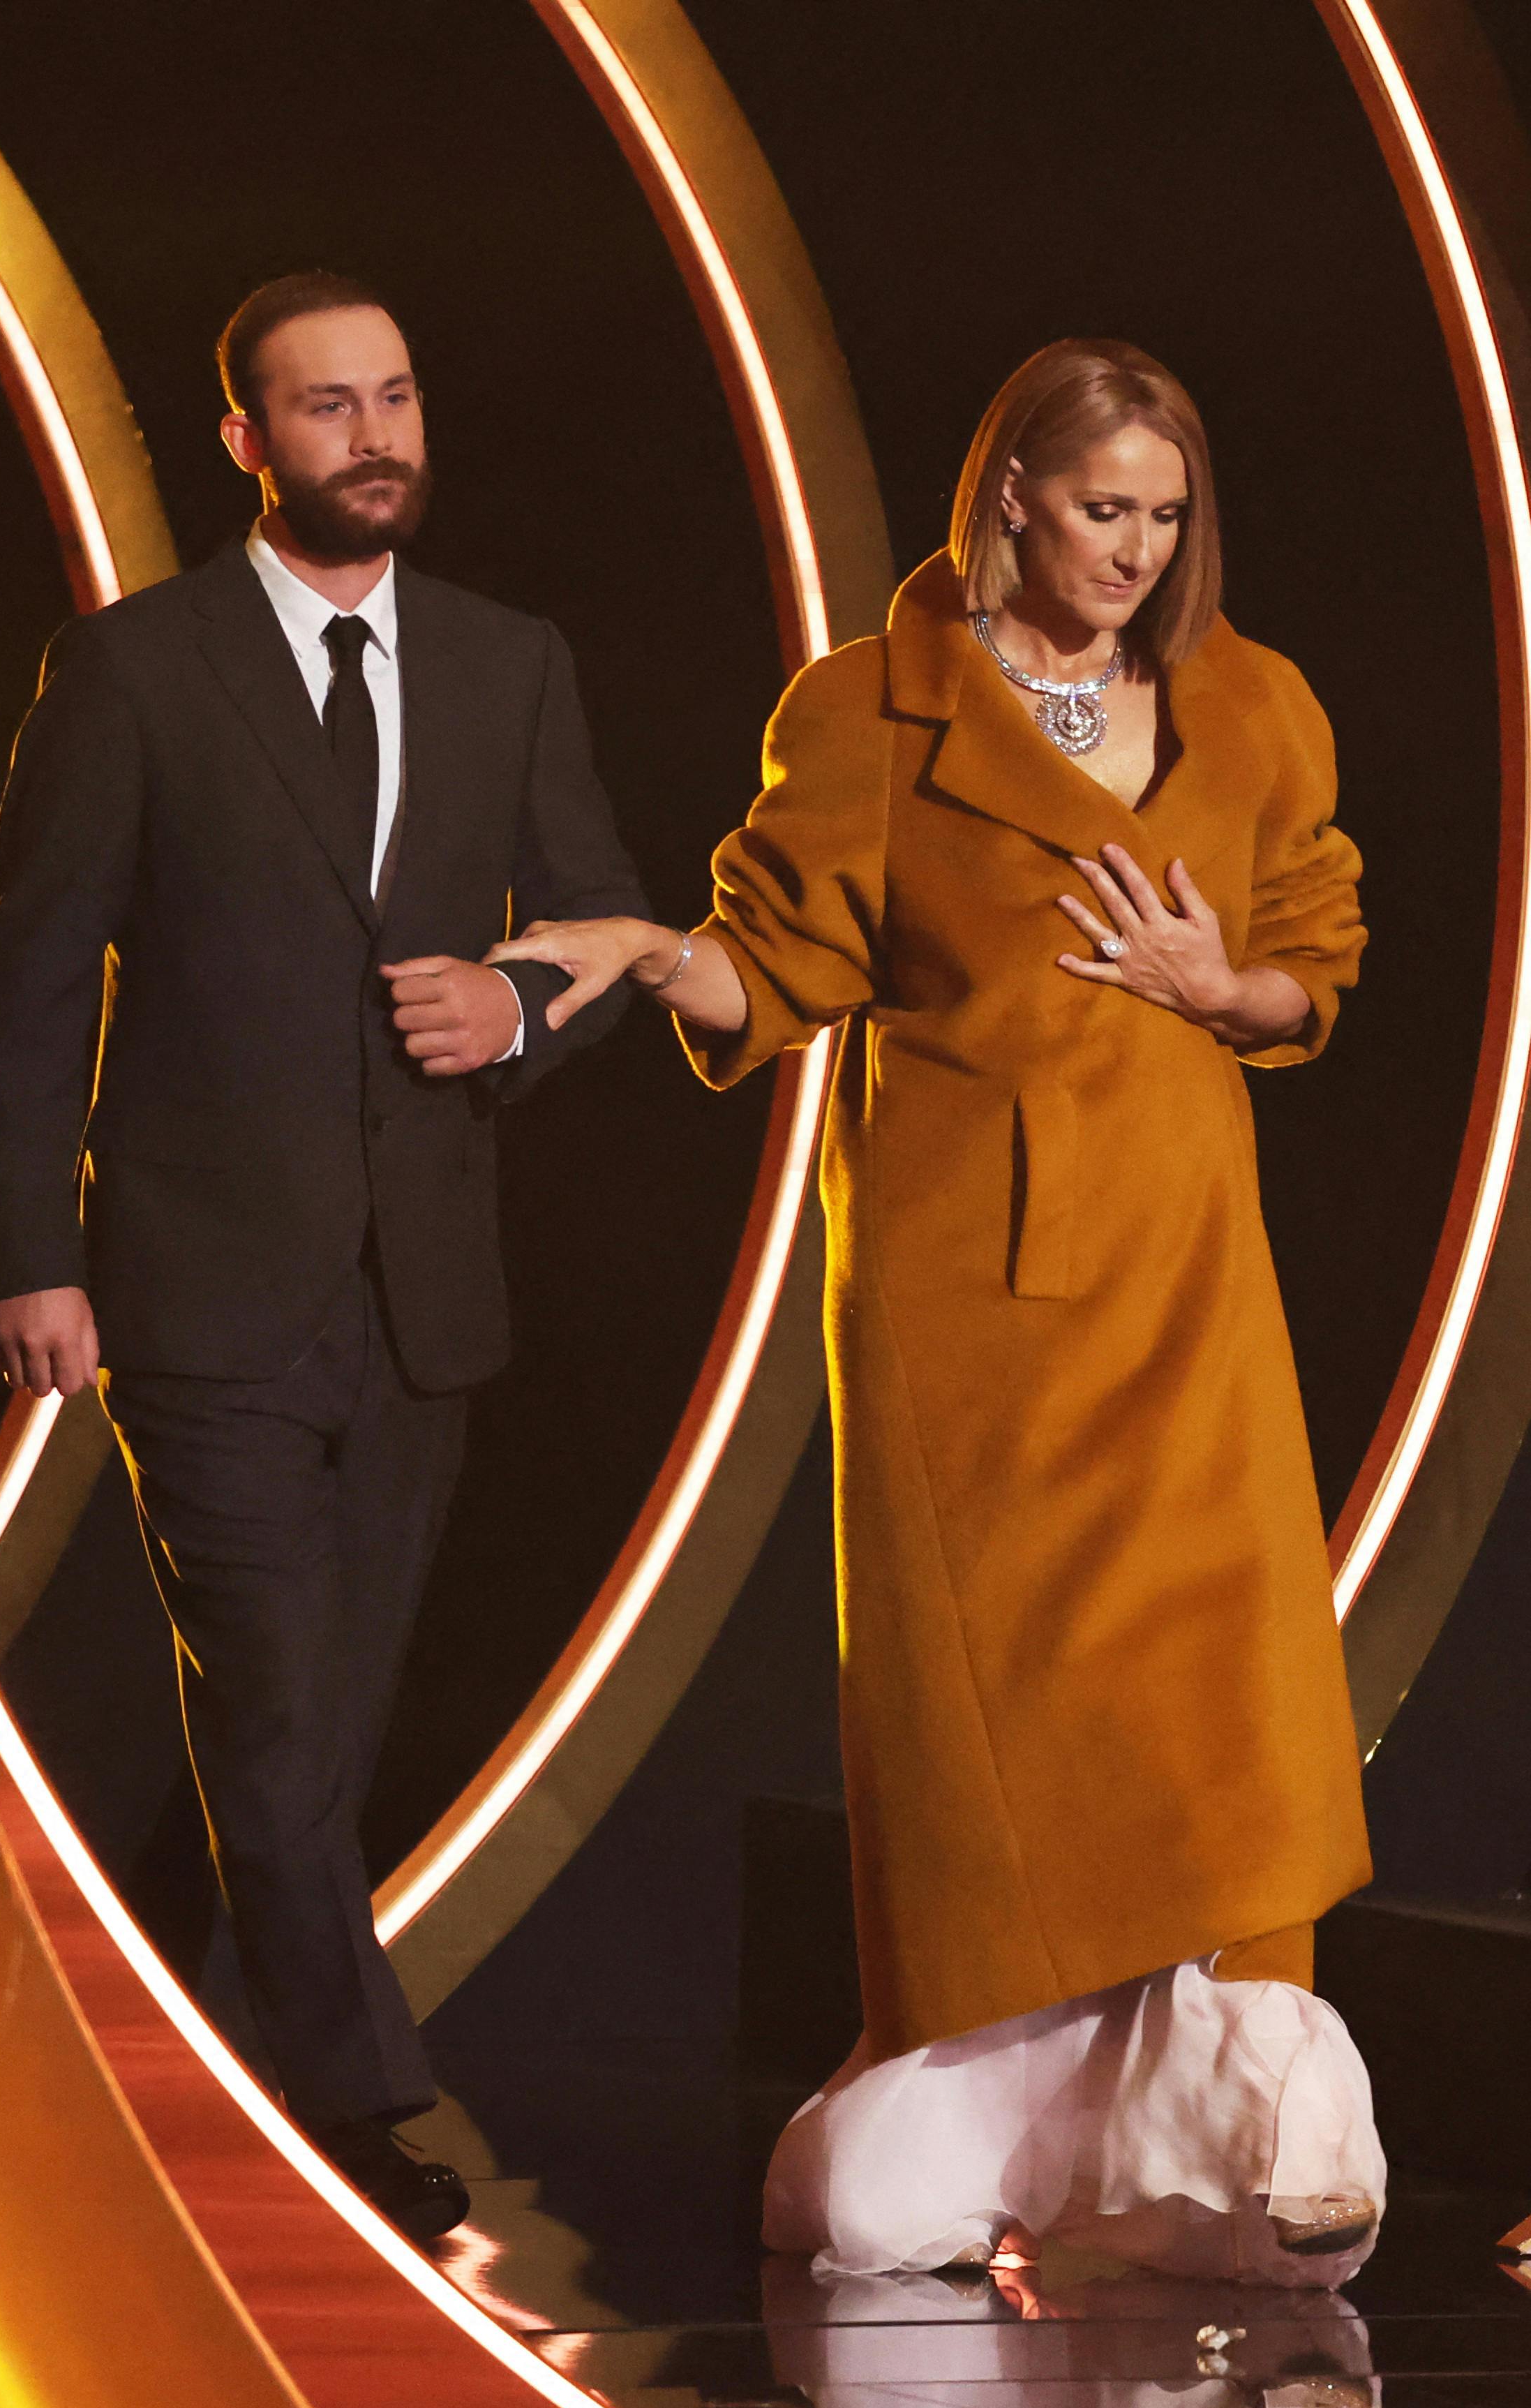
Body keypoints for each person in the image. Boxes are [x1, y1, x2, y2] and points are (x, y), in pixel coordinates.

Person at [492, 339, 1384, 2284]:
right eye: (1102, 509)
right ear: (1009, 498)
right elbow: (778, 964)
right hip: (963, 1283)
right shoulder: (869, 707)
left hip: (1184, 1265)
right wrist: (652, 954)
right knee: (1000, 1705)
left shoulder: (1253, 701)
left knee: (1222, 1680)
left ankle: (1242, 2108)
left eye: (1165, 515)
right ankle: (987, 2103)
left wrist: (1221, 987)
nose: (1136, 551)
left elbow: (1310, 952)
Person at [0, 270, 647, 2242]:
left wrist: (516, 1010)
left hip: (422, 1295)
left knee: (315, 1735)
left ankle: (148, 2059)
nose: (376, 436)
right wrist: (28, 1252)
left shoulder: (510, 660)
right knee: (271, 1712)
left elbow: (600, 917)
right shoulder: (133, 669)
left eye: (397, 397)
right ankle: (355, 2122)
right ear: (247, 442)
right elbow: (29, 980)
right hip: (198, 1288)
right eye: (329, 407)